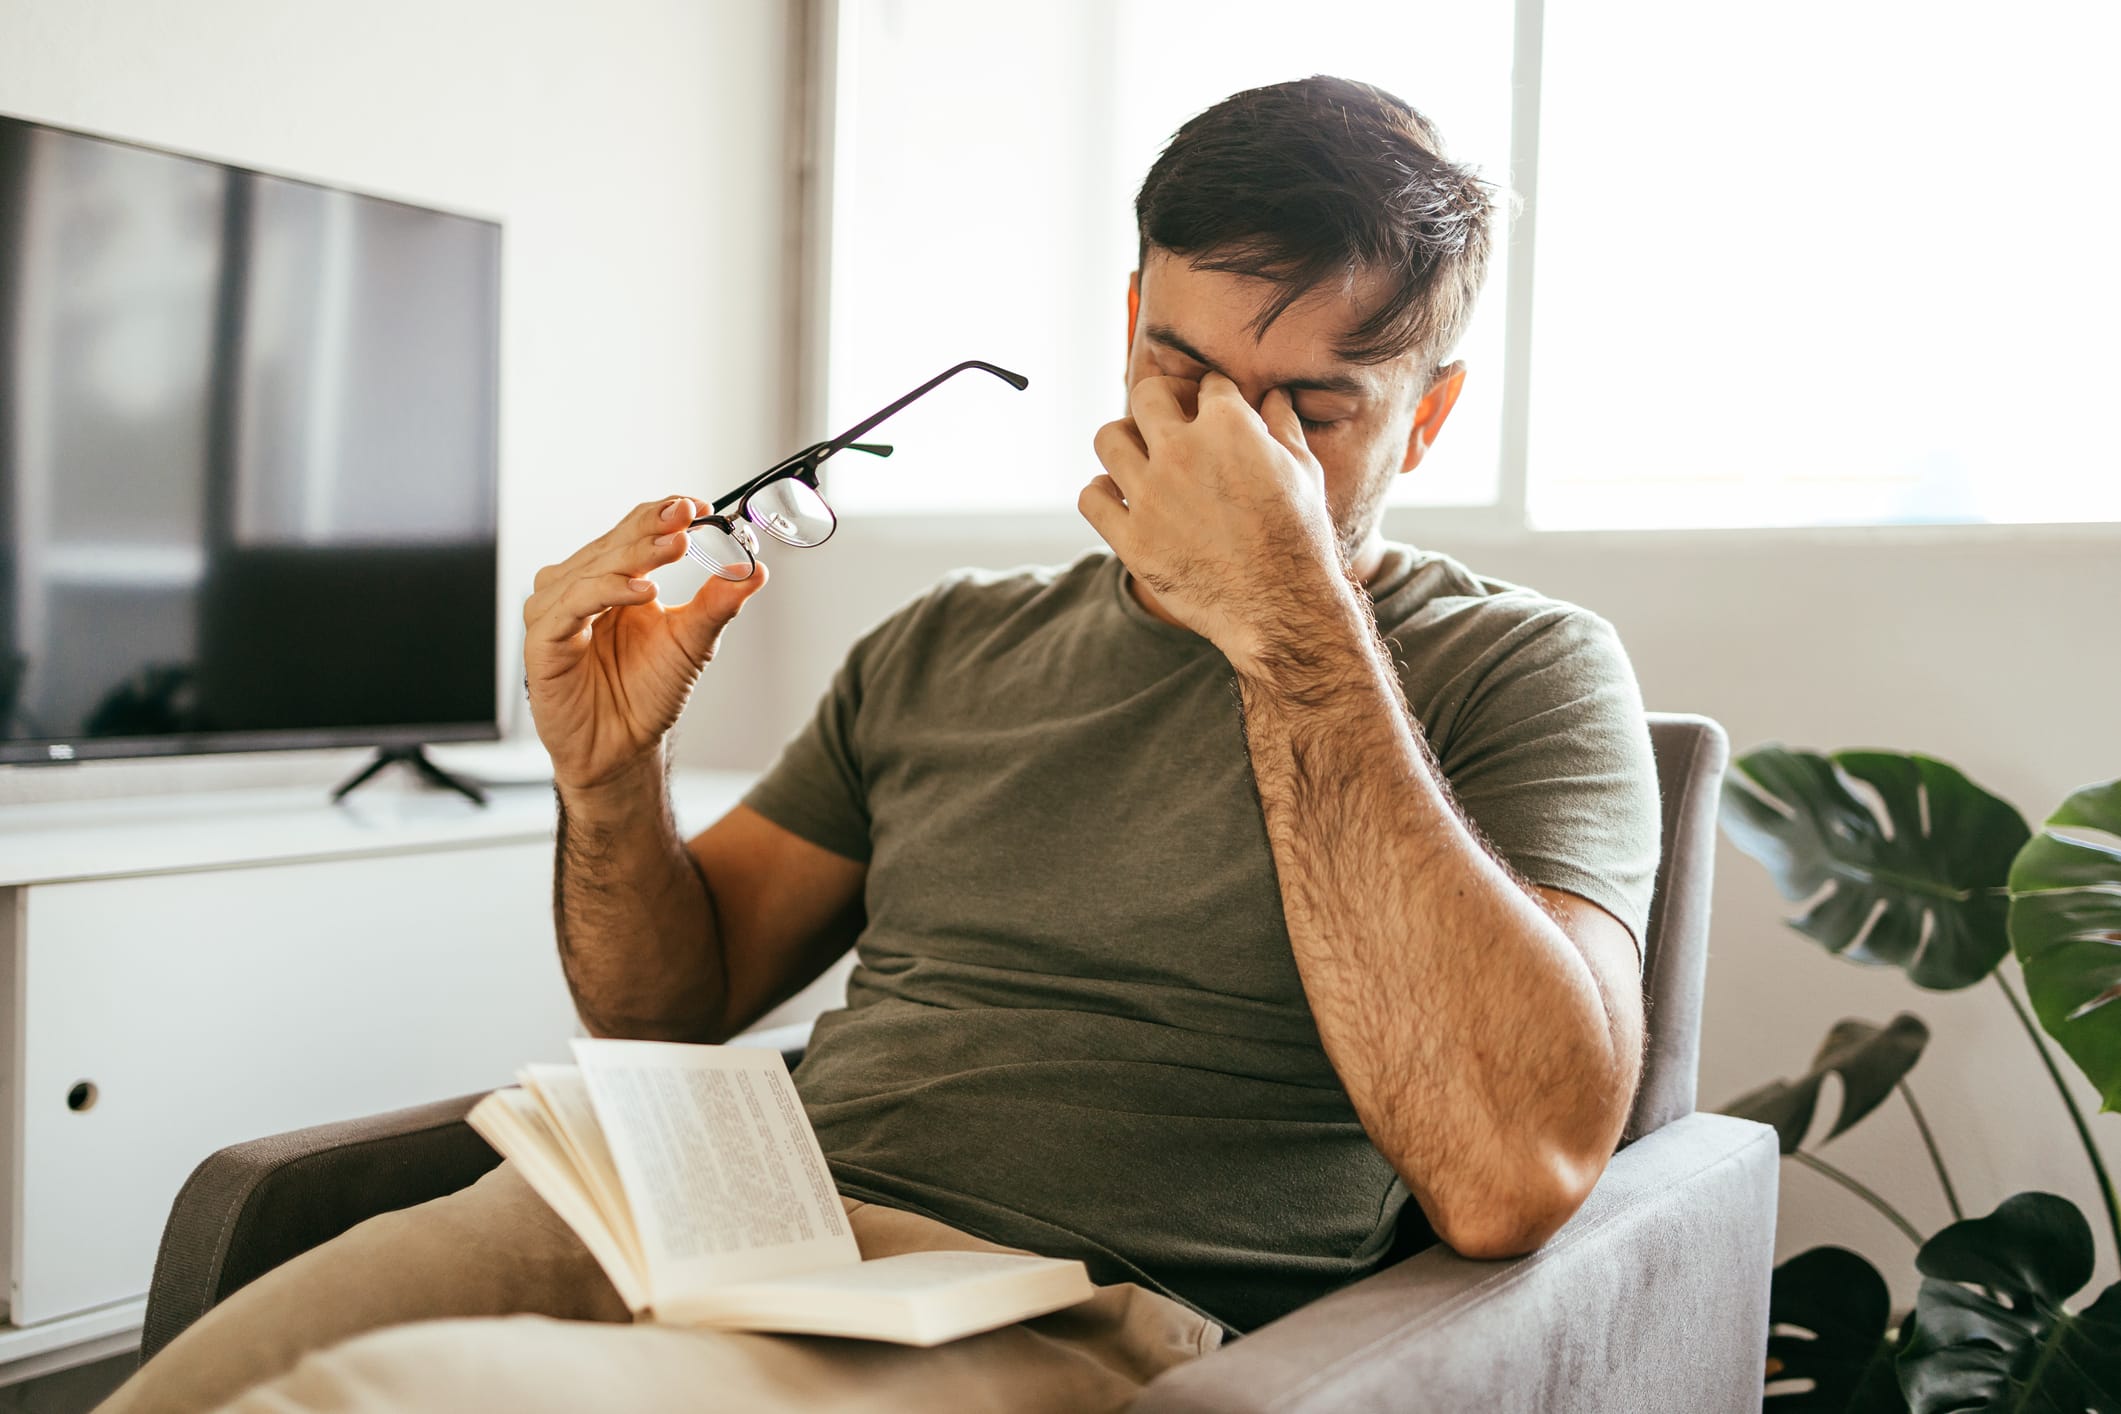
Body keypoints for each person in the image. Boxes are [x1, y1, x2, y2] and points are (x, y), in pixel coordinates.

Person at [100, 74, 1658, 1414]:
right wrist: (607, 775)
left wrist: (1291, 631)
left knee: (375, 1406)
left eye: (1310, 411)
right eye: (1181, 375)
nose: (1215, 450)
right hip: (724, 1211)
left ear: (1429, 416)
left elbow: (1508, 1169)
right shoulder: (948, 640)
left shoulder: (1514, 670)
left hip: (1052, 1304)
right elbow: (674, 999)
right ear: (1127, 323)